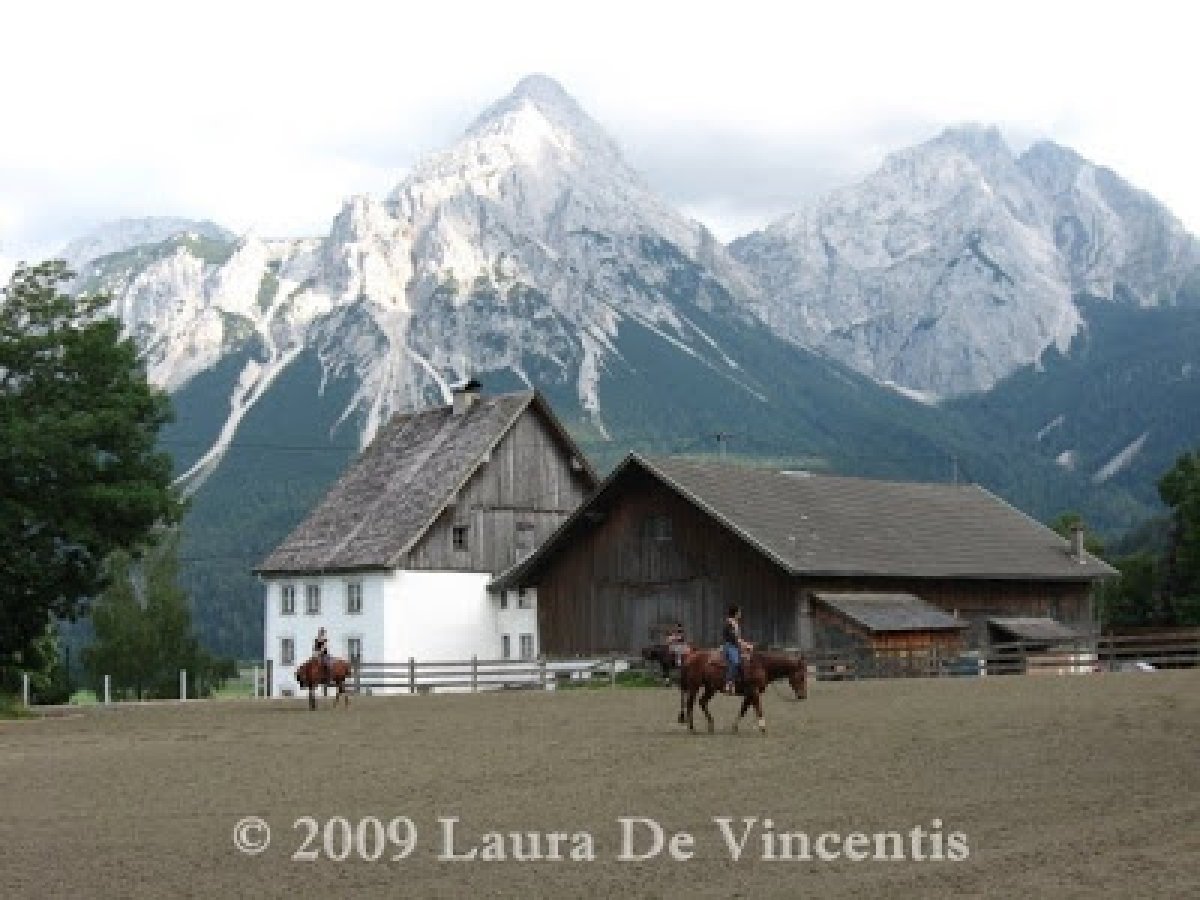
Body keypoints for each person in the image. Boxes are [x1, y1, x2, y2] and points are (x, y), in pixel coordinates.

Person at [721, 605, 752, 694]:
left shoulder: (735, 623)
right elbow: (733, 638)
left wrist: (746, 644)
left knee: (748, 659)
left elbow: (737, 638)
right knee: (735, 662)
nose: (740, 614)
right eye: (739, 612)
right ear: (735, 613)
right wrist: (744, 645)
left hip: (735, 645)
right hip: (730, 646)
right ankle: (728, 682)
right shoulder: (730, 623)